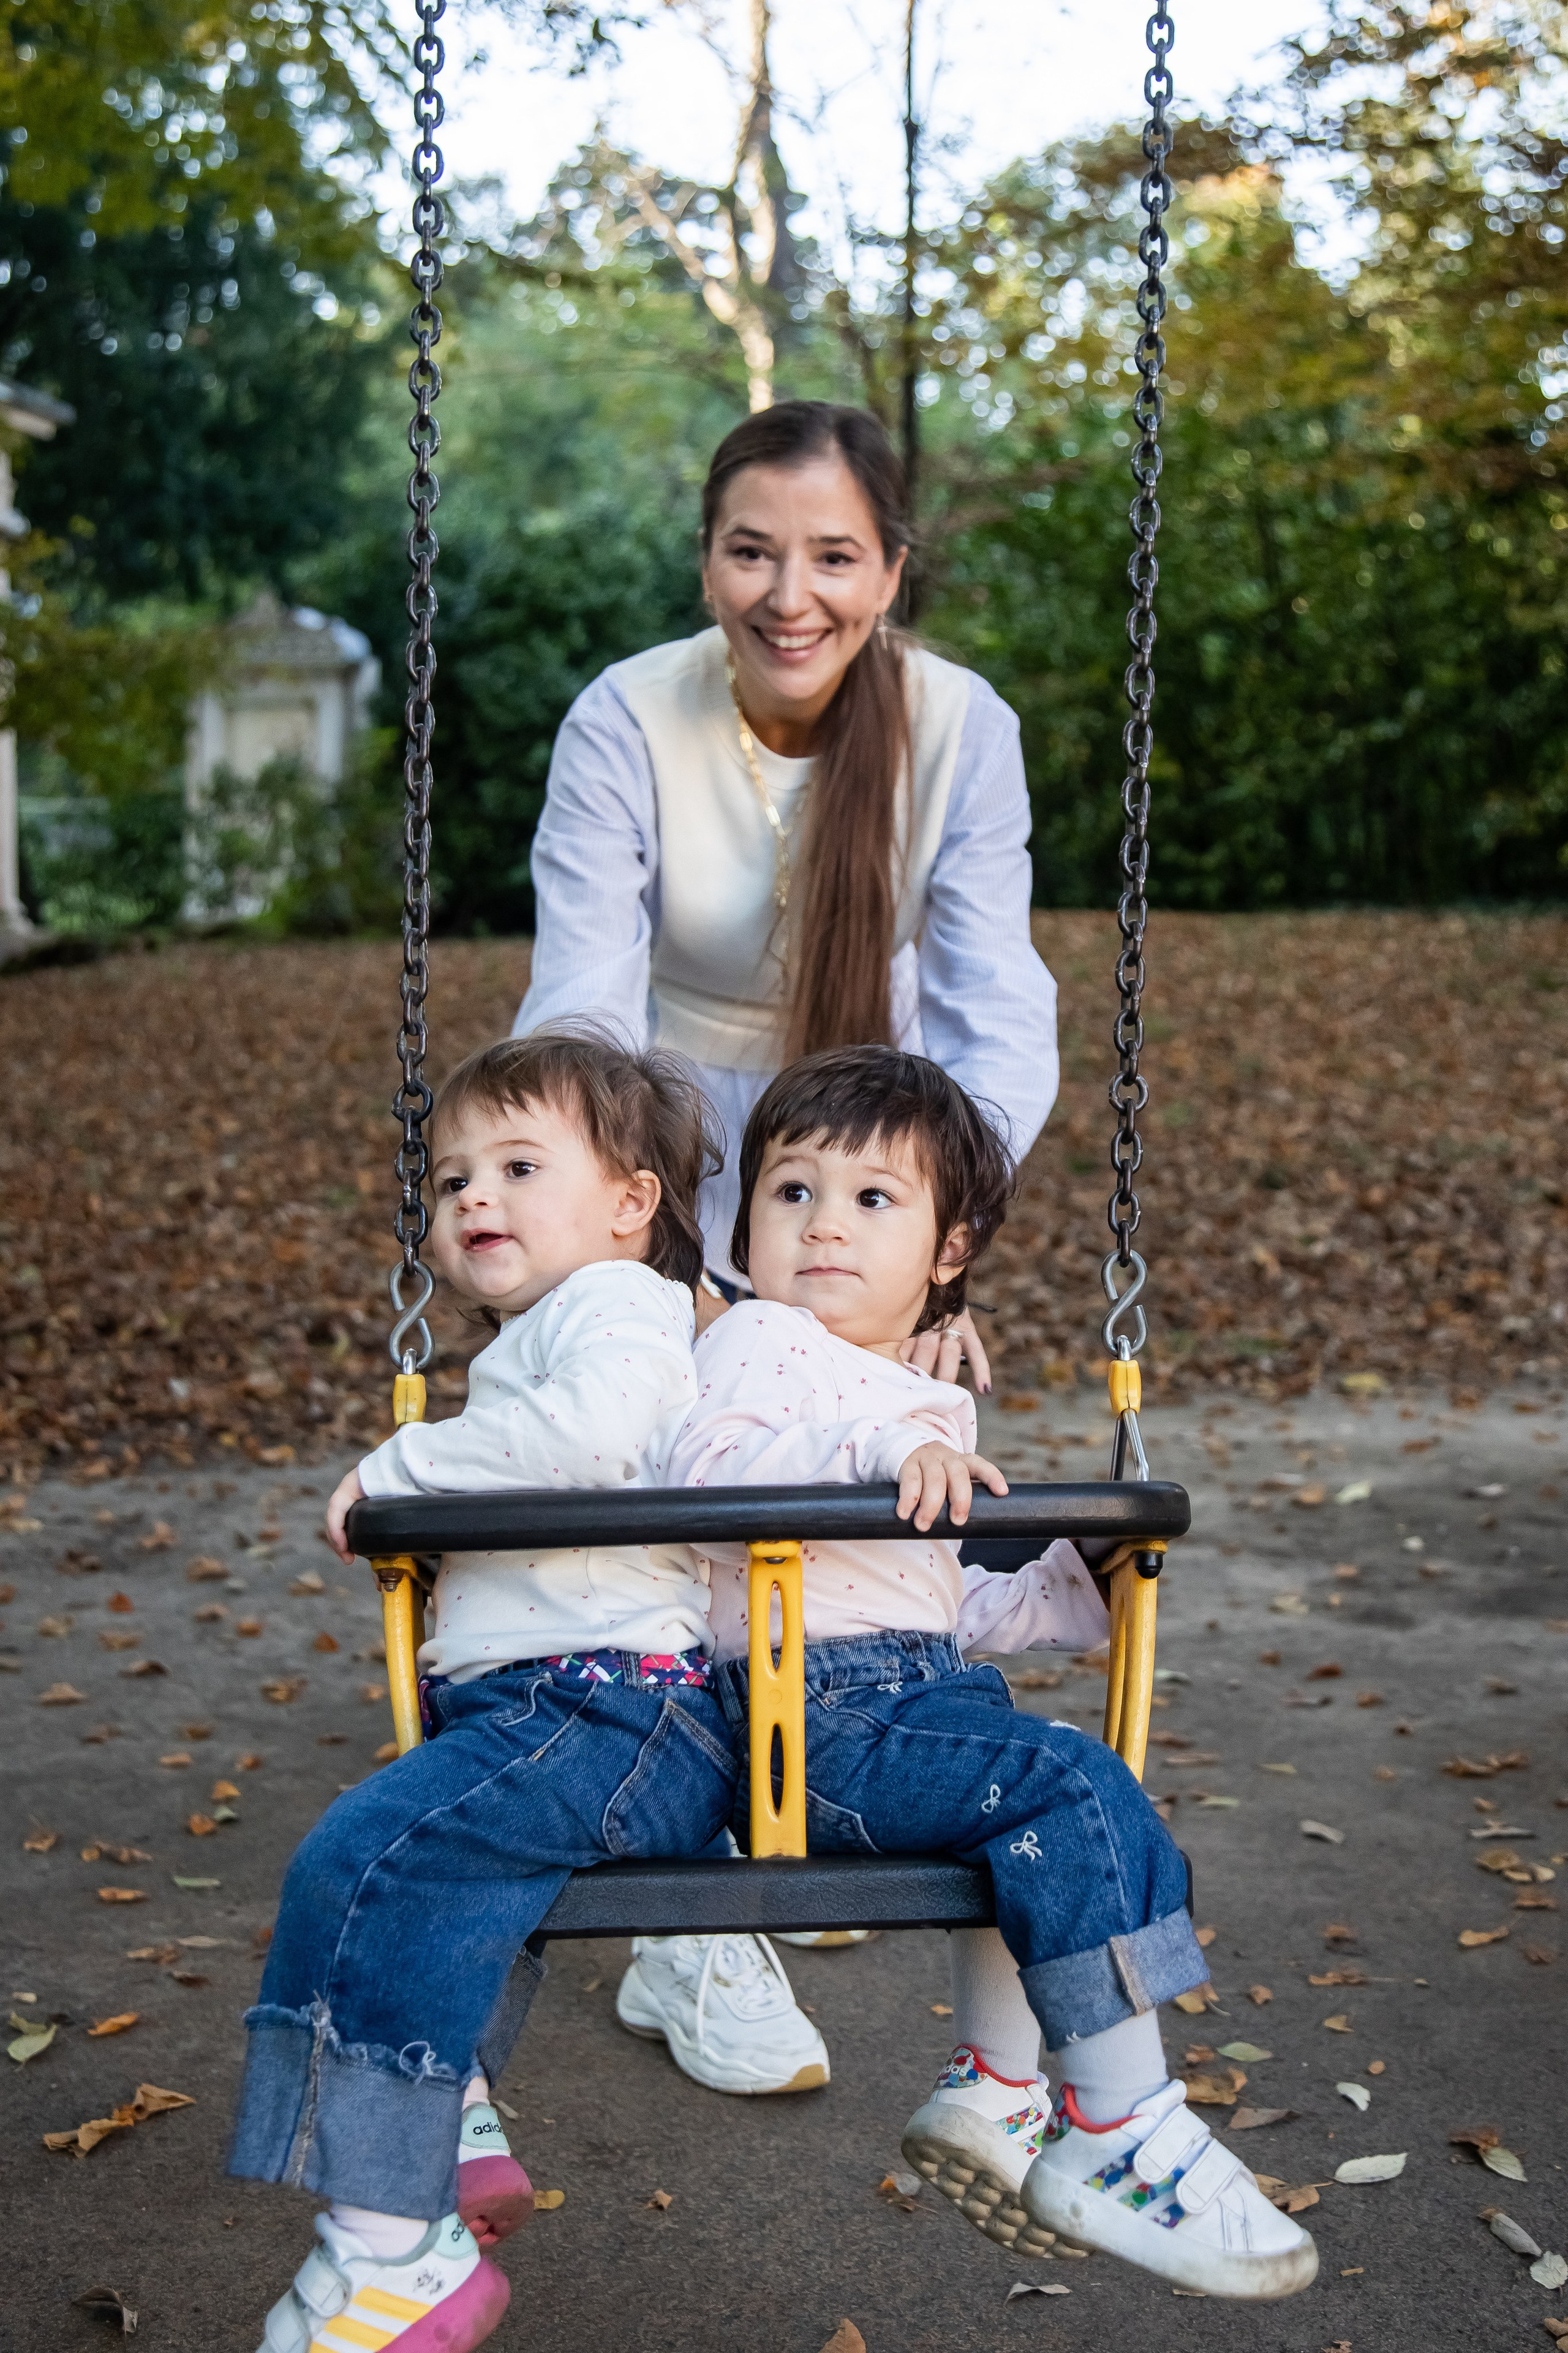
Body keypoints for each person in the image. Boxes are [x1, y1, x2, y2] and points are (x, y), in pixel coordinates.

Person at [514, 395, 1059, 2086]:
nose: (789, 592)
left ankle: (791, 1786)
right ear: (707, 558)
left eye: (834, 554)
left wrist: (938, 1253)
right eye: (752, 550)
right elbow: (585, 1001)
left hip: (872, 1135)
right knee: (662, 1467)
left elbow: (992, 1006)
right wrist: (638, 1241)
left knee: (840, 1473)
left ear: (892, 569)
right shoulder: (629, 716)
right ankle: (697, 1924)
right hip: (659, 1122)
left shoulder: (962, 729)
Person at [660, 1046, 1319, 2302]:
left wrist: (1080, 1567)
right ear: (744, 1225)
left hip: (901, 1687)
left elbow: (944, 1601)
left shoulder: (904, 1391)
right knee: (1063, 1793)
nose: (822, 1227)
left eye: (871, 1199)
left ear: (947, 1249)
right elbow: (707, 1471)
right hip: (812, 1720)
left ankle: (1000, 2090)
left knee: (1020, 1834)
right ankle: (1123, 2126)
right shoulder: (755, 1340)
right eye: (790, 1192)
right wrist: (882, 1436)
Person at [232, 1029, 772, 2353]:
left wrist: (404, 1468)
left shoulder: (619, 1308)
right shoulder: (545, 1332)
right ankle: (449, 2126)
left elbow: (585, 1442)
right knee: (443, 1882)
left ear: (630, 1203)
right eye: (454, 1175)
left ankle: (389, 2249)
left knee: (362, 1863)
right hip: (558, 1711)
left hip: (605, 1708)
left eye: (518, 1166)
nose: (473, 1196)